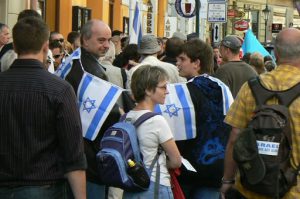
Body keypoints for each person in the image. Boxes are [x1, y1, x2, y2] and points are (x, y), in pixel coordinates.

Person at [0, 16, 86, 199]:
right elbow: (73, 154)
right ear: (46, 46)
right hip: (44, 188)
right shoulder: (60, 89)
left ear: (14, 47)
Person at [220, 28, 300, 199]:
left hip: (252, 186)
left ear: (276, 53)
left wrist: (227, 180)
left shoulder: (252, 86)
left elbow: (235, 137)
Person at [64, 19, 121, 199]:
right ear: (84, 40)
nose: (106, 45)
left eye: (109, 40)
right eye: (101, 40)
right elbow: (106, 116)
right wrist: (120, 113)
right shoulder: (90, 71)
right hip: (87, 158)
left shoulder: (76, 62)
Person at [175, 38, 233, 199]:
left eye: (182, 59)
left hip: (188, 166)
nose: (177, 63)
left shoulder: (183, 91)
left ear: (196, 63)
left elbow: (177, 129)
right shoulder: (222, 87)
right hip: (216, 166)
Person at [123, 65, 182, 199]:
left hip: (132, 185)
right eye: (163, 87)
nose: (167, 92)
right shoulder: (156, 121)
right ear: (149, 90)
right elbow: (176, 161)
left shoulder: (126, 117)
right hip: (155, 185)